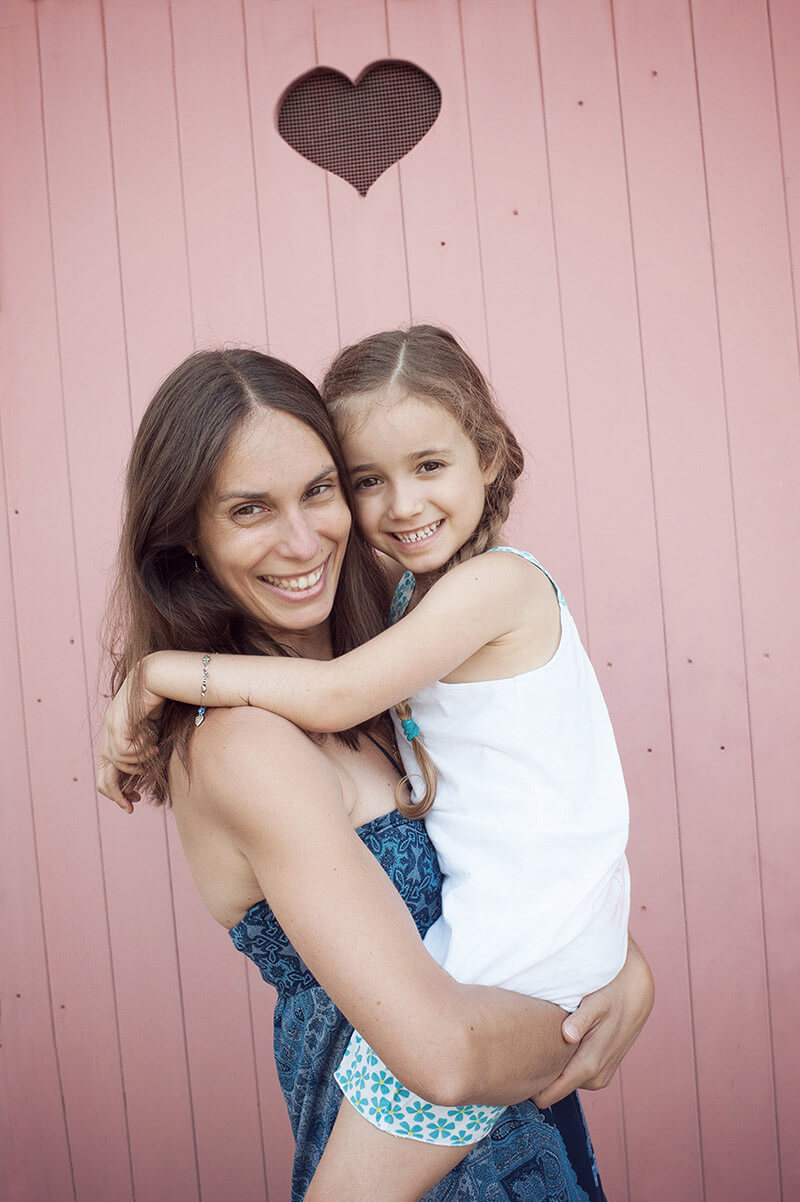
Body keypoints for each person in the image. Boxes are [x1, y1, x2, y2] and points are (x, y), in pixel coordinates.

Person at [99, 335, 650, 1200]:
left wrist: (621, 966)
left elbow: (516, 849)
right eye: (249, 510)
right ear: (186, 539)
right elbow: (446, 1055)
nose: (302, 537)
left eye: (319, 490)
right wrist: (594, 1010)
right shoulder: (244, 744)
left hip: (529, 1152)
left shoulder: (394, 658)